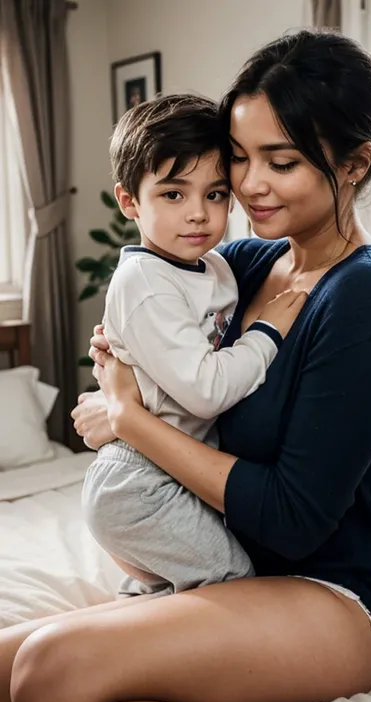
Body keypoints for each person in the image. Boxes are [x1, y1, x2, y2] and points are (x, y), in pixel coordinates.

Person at [2, 28, 371, 702]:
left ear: (354, 163)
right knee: (7, 662)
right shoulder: (252, 263)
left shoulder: (367, 299)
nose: (248, 185)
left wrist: (131, 421)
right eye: (240, 158)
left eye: (280, 161)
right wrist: (118, 396)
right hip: (239, 562)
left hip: (329, 594)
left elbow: (293, 520)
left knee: (51, 667)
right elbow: (166, 370)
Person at [82, 93, 305, 597]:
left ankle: (132, 617)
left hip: (173, 468)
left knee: (186, 583)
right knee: (232, 582)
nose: (199, 215)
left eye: (217, 194)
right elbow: (205, 392)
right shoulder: (144, 282)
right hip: (140, 481)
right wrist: (267, 332)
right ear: (129, 201)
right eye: (174, 195)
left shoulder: (215, 266)